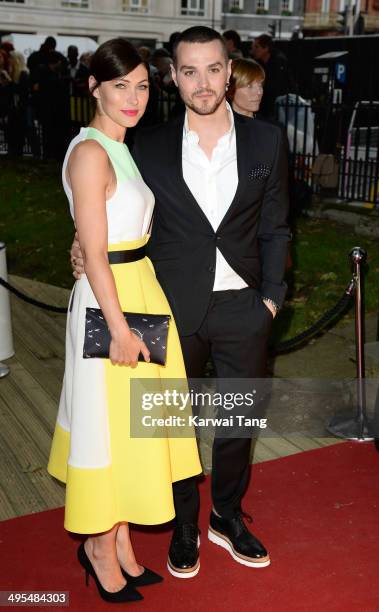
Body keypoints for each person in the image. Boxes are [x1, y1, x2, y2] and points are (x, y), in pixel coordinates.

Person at [72, 26, 290, 579]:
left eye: (213, 69)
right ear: (174, 75)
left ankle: (227, 514)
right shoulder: (145, 144)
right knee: (172, 423)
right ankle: (185, 523)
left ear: (229, 69)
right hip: (169, 306)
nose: (203, 82)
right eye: (188, 71)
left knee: (238, 421)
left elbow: (277, 228)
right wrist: (80, 247)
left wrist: (271, 299)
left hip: (245, 304)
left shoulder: (266, 140)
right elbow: (113, 209)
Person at [47, 37, 201, 603]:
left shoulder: (120, 146)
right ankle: (98, 548)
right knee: (108, 428)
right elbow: (96, 243)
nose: (133, 98)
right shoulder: (90, 151)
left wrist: (87, 251)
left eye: (141, 86)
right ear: (94, 87)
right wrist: (117, 329)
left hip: (138, 289)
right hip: (112, 303)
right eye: (120, 86)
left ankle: (125, 542)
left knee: (136, 427)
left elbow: (100, 229)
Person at [251, 33, 295, 119]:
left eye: (256, 47)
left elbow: (275, 88)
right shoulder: (260, 63)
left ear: (266, 48)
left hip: (278, 108)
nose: (253, 50)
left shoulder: (278, 63)